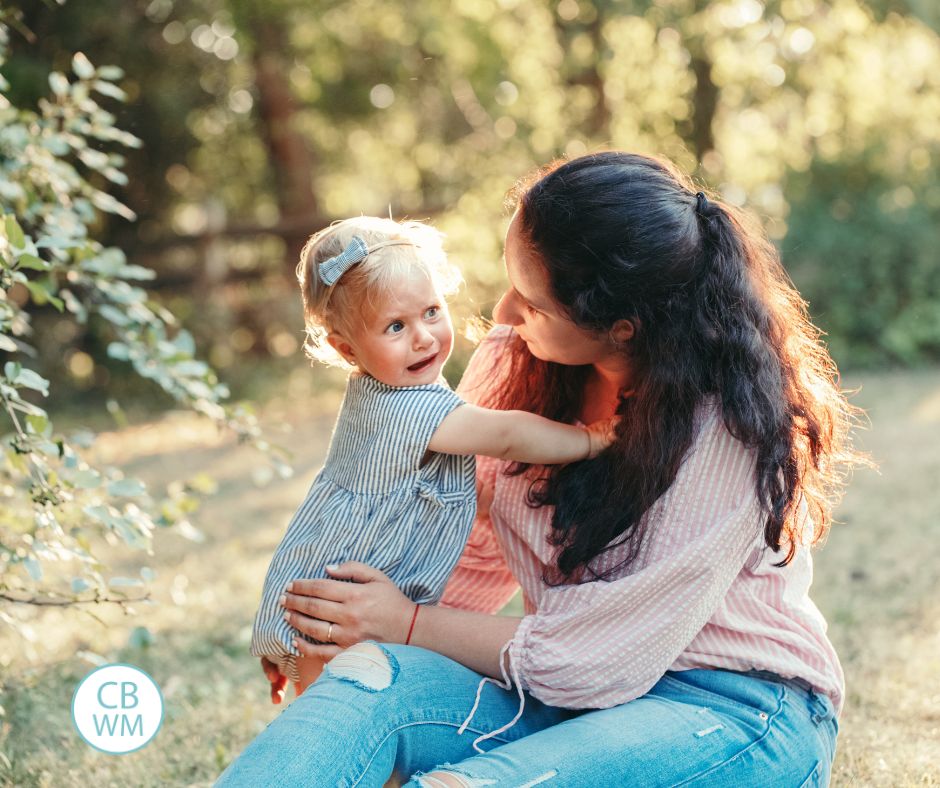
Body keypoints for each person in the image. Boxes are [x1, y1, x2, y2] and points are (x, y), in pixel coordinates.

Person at [219, 152, 862, 787]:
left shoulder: (727, 427)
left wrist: (408, 624)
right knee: (358, 686)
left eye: (532, 301)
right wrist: (343, 634)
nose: (501, 313)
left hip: (728, 710)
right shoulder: (517, 359)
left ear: (620, 329)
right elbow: (469, 545)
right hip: (562, 698)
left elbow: (600, 656)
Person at [249, 216, 618, 696]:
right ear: (347, 349)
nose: (422, 337)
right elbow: (506, 435)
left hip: (330, 564)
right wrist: (587, 441)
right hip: (350, 581)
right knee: (348, 700)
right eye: (395, 326)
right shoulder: (411, 408)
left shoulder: (377, 388)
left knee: (338, 695)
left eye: (430, 311)